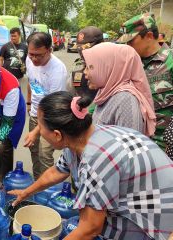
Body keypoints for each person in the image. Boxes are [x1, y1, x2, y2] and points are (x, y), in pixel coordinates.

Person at [9, 91, 173, 240]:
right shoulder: (81, 137)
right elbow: (57, 172)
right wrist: (26, 192)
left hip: (160, 223)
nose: (39, 131)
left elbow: (91, 228)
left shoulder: (97, 159)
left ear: (57, 135)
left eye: (40, 126)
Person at [118, 13, 173, 150]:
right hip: (135, 142)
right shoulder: (128, 63)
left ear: (149, 36)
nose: (128, 46)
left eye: (131, 41)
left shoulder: (170, 62)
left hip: (164, 145)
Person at [82, 42, 156, 136]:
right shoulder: (107, 91)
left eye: (90, 67)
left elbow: (130, 147)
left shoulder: (125, 100)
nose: (85, 72)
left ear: (109, 68)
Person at [24, 32, 68, 180]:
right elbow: (31, 82)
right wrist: (29, 103)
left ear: (49, 50)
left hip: (50, 118)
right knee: (34, 150)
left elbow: (53, 106)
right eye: (31, 54)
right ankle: (38, 182)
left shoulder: (57, 71)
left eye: (39, 55)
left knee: (44, 153)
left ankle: (48, 188)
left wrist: (37, 131)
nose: (34, 59)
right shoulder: (29, 60)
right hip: (35, 114)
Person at [71, 26, 104, 101]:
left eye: (86, 49)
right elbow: (75, 91)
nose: (82, 53)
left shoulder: (110, 67)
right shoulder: (77, 68)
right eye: (79, 49)